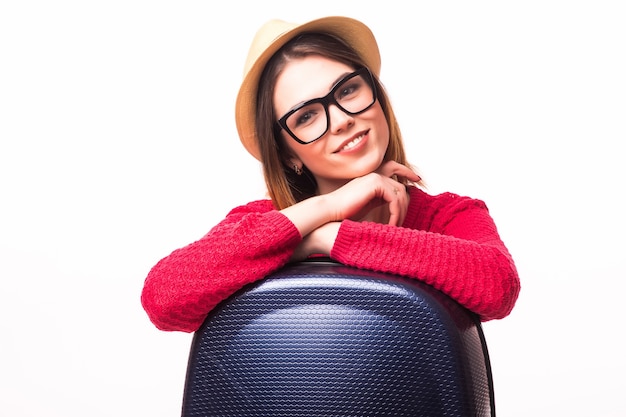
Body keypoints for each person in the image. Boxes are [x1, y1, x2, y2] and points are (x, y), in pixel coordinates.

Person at [141, 16, 520, 333]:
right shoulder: (259, 225)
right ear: (289, 155)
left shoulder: (449, 215)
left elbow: (498, 287)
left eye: (348, 89)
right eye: (306, 116)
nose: (341, 119)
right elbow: (163, 300)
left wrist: (328, 237)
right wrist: (325, 210)